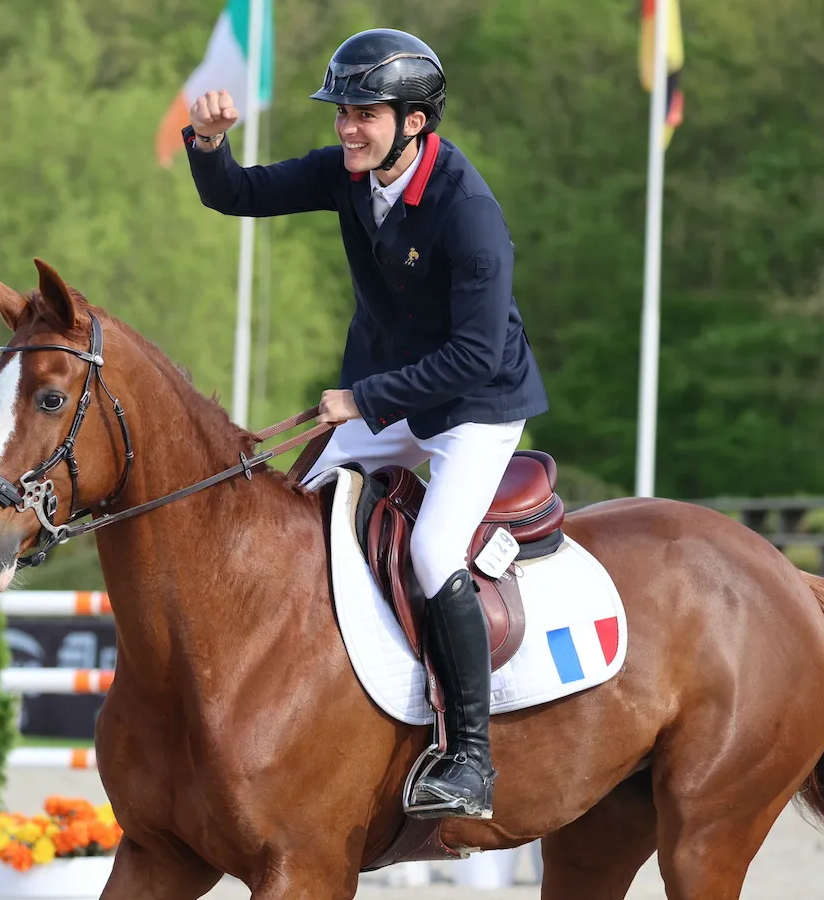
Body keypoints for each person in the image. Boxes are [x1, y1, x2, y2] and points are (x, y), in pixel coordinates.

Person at [180, 28, 549, 820]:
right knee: (293, 510)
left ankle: (470, 759)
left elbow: (475, 356)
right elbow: (236, 193)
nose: (347, 128)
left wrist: (366, 398)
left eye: (365, 114)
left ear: (414, 122)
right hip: (388, 396)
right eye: (342, 112)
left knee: (432, 549)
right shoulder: (350, 172)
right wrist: (208, 143)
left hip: (474, 407)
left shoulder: (469, 213)